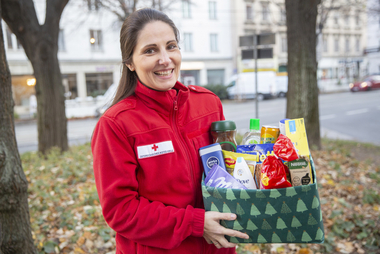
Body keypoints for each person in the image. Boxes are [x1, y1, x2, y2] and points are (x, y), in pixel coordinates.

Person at [91, 8, 249, 254]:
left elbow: (226, 171)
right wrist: (195, 224)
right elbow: (121, 211)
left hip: (218, 248)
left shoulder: (208, 104)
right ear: (130, 62)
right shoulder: (116, 124)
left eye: (171, 46)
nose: (165, 59)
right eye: (150, 50)